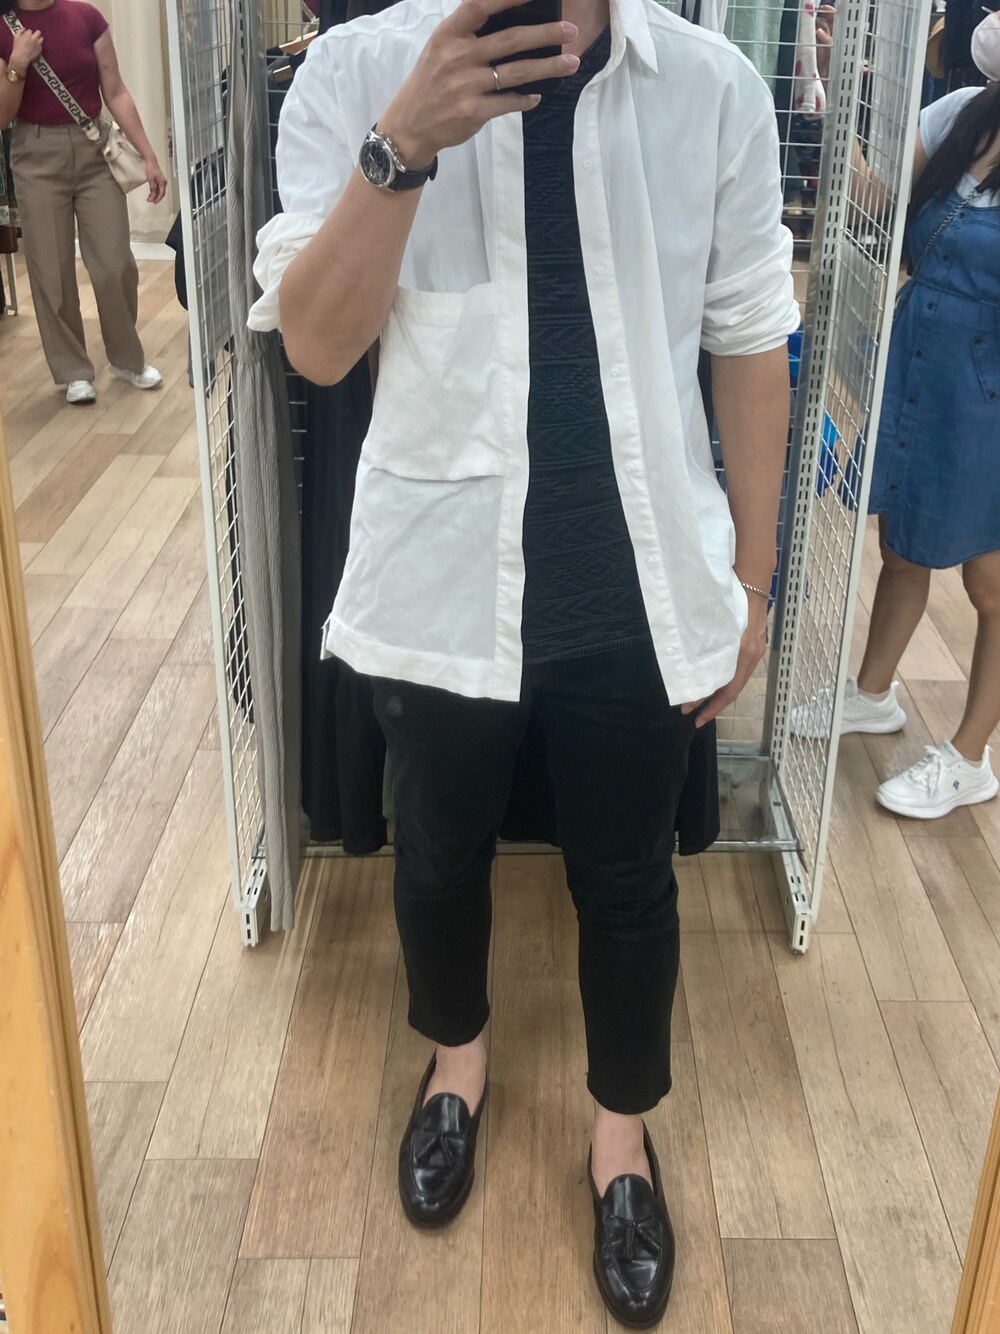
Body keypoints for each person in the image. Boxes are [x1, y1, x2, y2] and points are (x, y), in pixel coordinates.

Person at [249, 0, 798, 1322]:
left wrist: (754, 580)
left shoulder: (711, 86)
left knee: (629, 877)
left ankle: (621, 1135)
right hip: (441, 579)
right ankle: (458, 1064)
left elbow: (746, 333)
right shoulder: (357, 73)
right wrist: (401, 146)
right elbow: (317, 345)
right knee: (437, 851)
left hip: (640, 584)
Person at [793, 9, 1000, 822]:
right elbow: (878, 208)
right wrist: (839, 91)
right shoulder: (963, 115)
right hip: (919, 356)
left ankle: (971, 756)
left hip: (989, 382)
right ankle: (873, 693)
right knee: (901, 542)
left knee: (989, 580)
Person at [0, 0, 167, 405]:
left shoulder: (86, 16)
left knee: (115, 263)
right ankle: (73, 370)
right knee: (51, 269)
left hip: (95, 150)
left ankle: (126, 359)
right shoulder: (3, 27)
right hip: (34, 154)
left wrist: (148, 155)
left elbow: (116, 91)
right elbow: (2, 116)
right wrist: (17, 64)